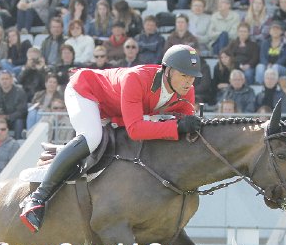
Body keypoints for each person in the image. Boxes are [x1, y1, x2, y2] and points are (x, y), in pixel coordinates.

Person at [19, 45, 203, 232]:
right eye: (184, 75)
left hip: (116, 110)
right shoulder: (136, 78)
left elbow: (186, 132)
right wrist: (177, 126)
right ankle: (37, 198)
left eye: (192, 77)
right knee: (92, 137)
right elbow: (135, 129)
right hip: (86, 92)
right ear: (168, 71)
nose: (189, 82)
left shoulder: (186, 91)